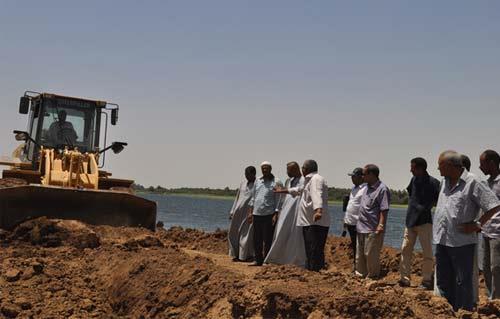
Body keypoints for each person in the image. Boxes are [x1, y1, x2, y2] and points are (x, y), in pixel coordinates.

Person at [433, 150, 500, 311]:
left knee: (462, 281)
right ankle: (446, 311)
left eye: (440, 165)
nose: (438, 169)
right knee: (443, 279)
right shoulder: (444, 182)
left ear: (450, 166)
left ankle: (464, 311)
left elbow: (493, 205)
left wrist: (478, 224)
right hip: (442, 239)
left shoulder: (473, 182)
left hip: (461, 242)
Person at [275, 159, 330, 271]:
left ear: (306, 169)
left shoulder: (315, 179)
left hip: (315, 221)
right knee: (310, 249)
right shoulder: (308, 180)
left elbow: (317, 195)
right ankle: (312, 271)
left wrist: (318, 210)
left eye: (303, 168)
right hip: (309, 221)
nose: (302, 170)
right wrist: (283, 191)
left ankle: (315, 273)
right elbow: (298, 190)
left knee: (314, 249)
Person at [399, 157, 440, 289]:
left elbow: (438, 199)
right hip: (410, 221)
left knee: (427, 252)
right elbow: (411, 193)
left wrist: (425, 207)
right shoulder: (413, 180)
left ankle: (427, 280)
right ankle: (404, 279)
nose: (410, 170)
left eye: (412, 167)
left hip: (424, 222)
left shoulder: (433, 182)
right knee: (405, 249)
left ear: (420, 168)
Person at [264, 162, 306, 267]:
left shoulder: (303, 180)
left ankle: (294, 261)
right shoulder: (288, 181)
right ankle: (276, 258)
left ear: (296, 169)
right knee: (280, 233)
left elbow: (298, 192)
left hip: (296, 212)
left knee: (294, 236)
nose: (287, 172)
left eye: (289, 170)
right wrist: (277, 211)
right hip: (285, 211)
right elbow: (282, 197)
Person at [355, 164, 390, 279]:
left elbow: (384, 209)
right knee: (359, 256)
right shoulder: (366, 188)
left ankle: (373, 278)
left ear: (371, 175)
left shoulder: (382, 189)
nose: (362, 177)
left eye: (364, 174)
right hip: (361, 227)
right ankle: (360, 277)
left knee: (371, 255)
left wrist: (381, 225)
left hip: (372, 228)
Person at [247, 161, 282, 266]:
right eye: (263, 168)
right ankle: (258, 260)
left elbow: (279, 199)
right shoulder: (258, 181)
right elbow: (253, 197)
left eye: (266, 168)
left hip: (269, 214)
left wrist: (276, 214)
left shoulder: (276, 181)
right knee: (256, 238)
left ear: (270, 169)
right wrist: (250, 213)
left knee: (268, 239)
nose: (264, 170)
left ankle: (267, 260)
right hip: (257, 214)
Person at [479, 150, 500, 299]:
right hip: (486, 231)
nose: (480, 167)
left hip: (498, 232)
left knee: (496, 268)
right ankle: (488, 299)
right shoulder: (486, 183)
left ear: (491, 163)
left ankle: (497, 301)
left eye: (482, 164)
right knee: (486, 267)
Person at [228, 166, 256, 262]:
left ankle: (244, 256)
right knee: (234, 232)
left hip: (248, 213)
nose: (246, 177)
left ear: (253, 174)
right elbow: (237, 197)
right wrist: (232, 211)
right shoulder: (242, 184)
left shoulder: (257, 184)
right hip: (237, 212)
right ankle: (235, 254)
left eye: (248, 175)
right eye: (245, 174)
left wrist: (252, 213)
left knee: (246, 235)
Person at [343, 167, 366, 270]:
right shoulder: (354, 189)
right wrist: (345, 221)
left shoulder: (365, 189)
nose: (352, 178)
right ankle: (356, 265)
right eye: (351, 176)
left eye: (354, 176)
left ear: (361, 177)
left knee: (360, 246)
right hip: (350, 222)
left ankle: (361, 267)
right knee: (354, 245)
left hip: (359, 223)